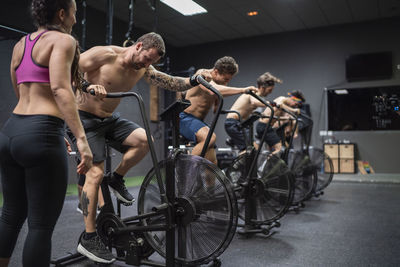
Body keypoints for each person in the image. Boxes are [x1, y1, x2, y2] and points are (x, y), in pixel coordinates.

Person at [68, 32, 210, 263]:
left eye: (151, 62)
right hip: (84, 119)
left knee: (145, 141)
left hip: (109, 119)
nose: (147, 65)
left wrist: (194, 80)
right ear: (139, 45)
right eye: (146, 59)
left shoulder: (144, 68)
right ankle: (89, 237)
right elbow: (67, 70)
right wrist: (87, 85)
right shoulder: (104, 54)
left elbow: (170, 81)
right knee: (94, 174)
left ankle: (116, 178)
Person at [0, 0, 93, 266]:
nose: (75, 19)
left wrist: (39, 128)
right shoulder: (64, 41)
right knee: (40, 225)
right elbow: (60, 89)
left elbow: (17, 84)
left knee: (10, 215)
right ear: (62, 13)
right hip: (40, 134)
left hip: (11, 132)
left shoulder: (21, 44)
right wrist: (81, 140)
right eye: (74, 13)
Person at [180, 56, 258, 164]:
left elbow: (215, 96)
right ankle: (186, 170)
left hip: (198, 122)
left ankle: (212, 180)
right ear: (216, 72)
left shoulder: (216, 83)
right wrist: (243, 90)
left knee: (212, 164)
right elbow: (213, 91)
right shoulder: (202, 74)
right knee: (210, 138)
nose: (227, 83)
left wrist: (216, 104)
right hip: (185, 118)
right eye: (225, 79)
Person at [224, 72, 282, 152]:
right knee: (251, 150)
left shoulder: (258, 98)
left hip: (241, 125)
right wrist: (272, 104)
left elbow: (254, 112)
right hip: (233, 124)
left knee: (255, 149)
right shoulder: (252, 93)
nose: (270, 92)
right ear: (262, 87)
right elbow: (254, 102)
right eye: (269, 90)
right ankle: (237, 165)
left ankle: (245, 164)